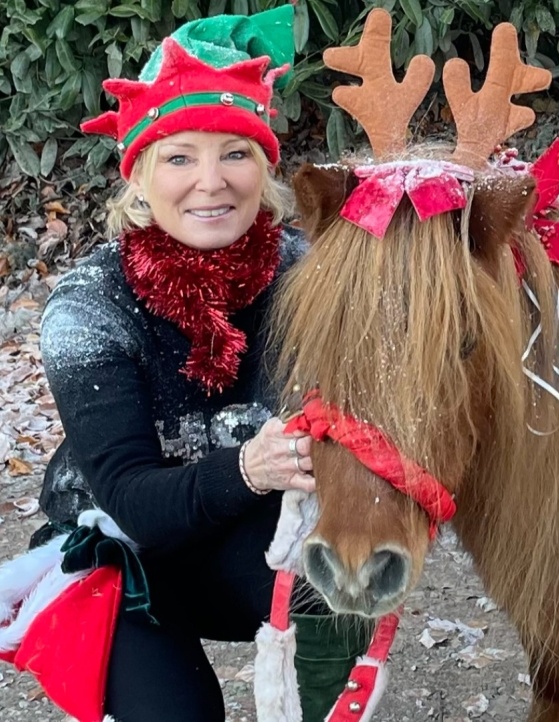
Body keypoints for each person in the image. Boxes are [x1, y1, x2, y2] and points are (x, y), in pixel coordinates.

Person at [12, 7, 369, 721]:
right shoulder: (87, 306)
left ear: (264, 167)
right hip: (117, 550)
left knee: (341, 589)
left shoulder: (309, 277)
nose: (213, 182)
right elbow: (132, 497)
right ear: (139, 175)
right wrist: (249, 468)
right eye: (180, 157)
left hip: (248, 536)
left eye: (235, 153)